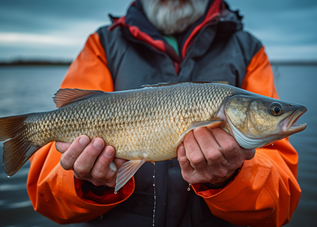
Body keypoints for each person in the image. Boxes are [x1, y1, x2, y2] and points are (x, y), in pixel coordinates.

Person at [26, 0, 301, 226]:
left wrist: (231, 177)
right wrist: (89, 183)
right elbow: (47, 191)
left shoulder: (248, 49)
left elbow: (279, 204)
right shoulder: (102, 44)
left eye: (274, 110)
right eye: (275, 110)